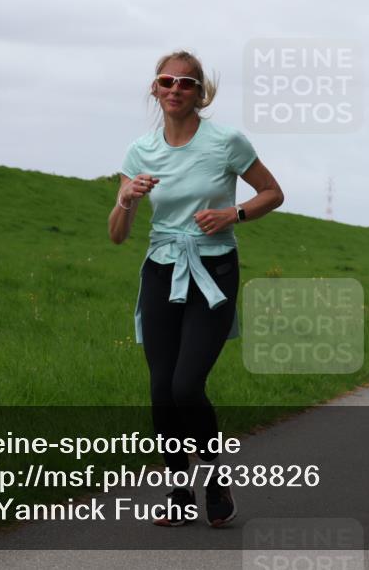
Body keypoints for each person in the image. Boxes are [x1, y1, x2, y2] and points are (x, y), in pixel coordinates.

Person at [109, 50, 284, 528]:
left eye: (186, 83)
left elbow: (273, 192)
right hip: (161, 270)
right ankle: (179, 491)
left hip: (214, 272)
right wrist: (125, 199)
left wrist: (234, 214)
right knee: (161, 391)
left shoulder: (226, 142)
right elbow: (117, 233)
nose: (175, 89)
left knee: (188, 385)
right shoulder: (139, 150)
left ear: (200, 92)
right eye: (166, 81)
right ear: (154, 89)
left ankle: (213, 477)